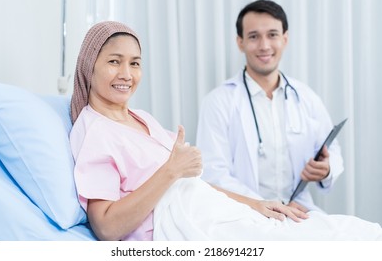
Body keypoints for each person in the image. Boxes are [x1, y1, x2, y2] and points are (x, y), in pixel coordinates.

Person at [69, 21, 382, 241]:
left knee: (347, 232)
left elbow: (195, 183)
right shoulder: (95, 131)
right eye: (114, 61)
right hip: (185, 225)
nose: (126, 74)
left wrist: (253, 204)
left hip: (216, 209)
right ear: (89, 65)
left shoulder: (142, 118)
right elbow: (107, 228)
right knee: (330, 244)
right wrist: (172, 169)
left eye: (135, 63)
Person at [196, 0, 343, 213]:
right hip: (243, 213)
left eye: (272, 35)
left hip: (299, 211)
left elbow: (333, 150)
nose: (264, 46)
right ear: (240, 42)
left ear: (285, 39)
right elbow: (213, 174)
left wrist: (326, 169)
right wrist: (260, 205)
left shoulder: (306, 98)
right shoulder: (218, 102)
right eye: (254, 36)